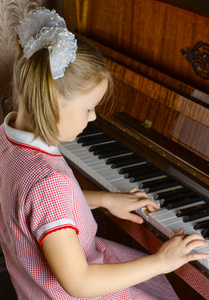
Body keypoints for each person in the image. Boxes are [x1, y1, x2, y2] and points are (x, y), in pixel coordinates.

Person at [0, 7, 208, 300]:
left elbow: (33, 209)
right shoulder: (47, 181)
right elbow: (80, 282)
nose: (94, 118)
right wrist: (162, 261)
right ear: (55, 102)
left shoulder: (7, 138)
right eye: (88, 108)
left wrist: (104, 199)